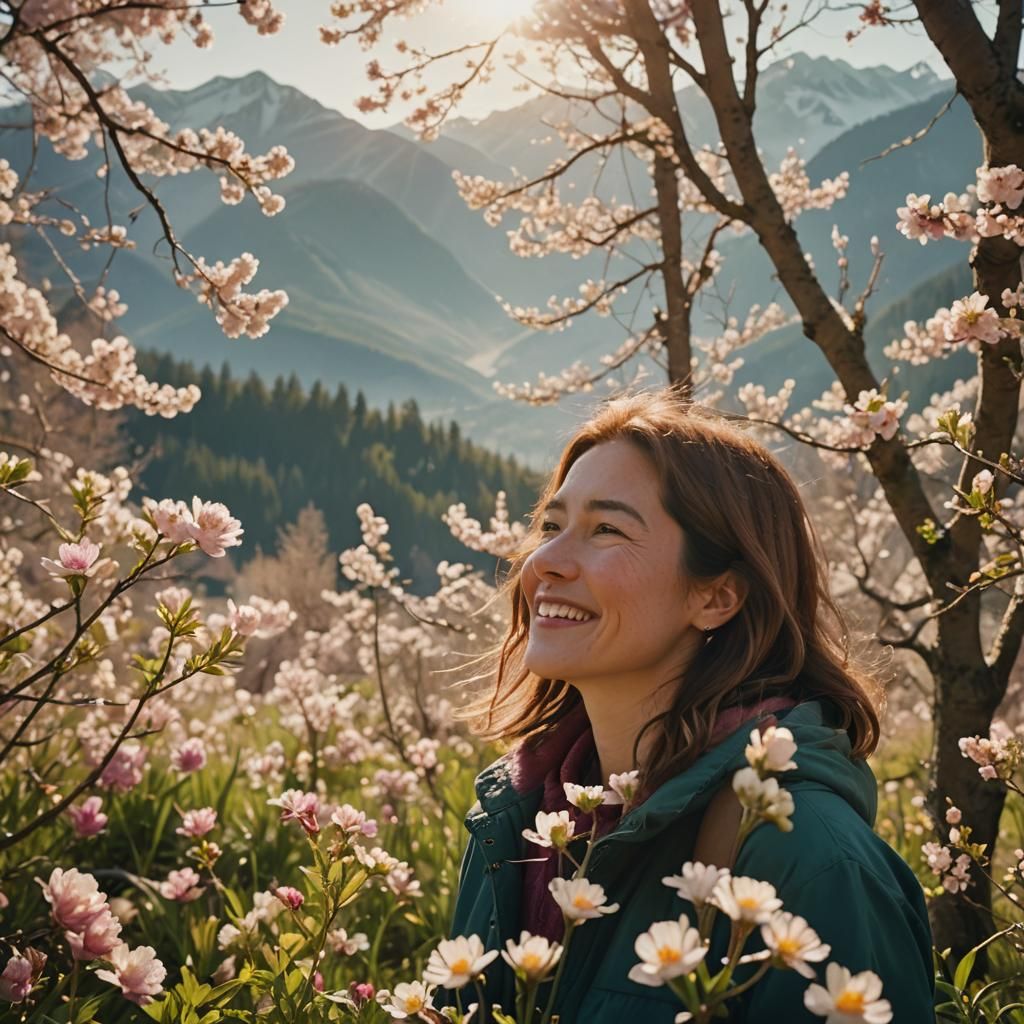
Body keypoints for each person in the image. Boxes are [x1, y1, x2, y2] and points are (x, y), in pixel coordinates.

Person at [441, 389, 935, 1023]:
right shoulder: (519, 817)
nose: (546, 563)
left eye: (606, 530)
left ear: (717, 597)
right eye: (552, 526)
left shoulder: (810, 861)